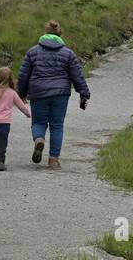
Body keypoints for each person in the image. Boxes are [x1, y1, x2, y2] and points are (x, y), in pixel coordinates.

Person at [17, 20, 90, 170]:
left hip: (38, 93)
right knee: (57, 126)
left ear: (45, 33)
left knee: (38, 123)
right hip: (60, 94)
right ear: (59, 34)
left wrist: (21, 93)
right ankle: (53, 160)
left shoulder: (33, 52)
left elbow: (24, 75)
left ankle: (39, 140)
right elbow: (77, 76)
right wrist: (84, 94)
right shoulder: (68, 53)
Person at [0, 67, 30, 171]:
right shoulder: (12, 93)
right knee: (3, 140)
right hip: (4, 122)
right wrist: (28, 113)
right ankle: (0, 160)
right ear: (11, 79)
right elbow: (21, 105)